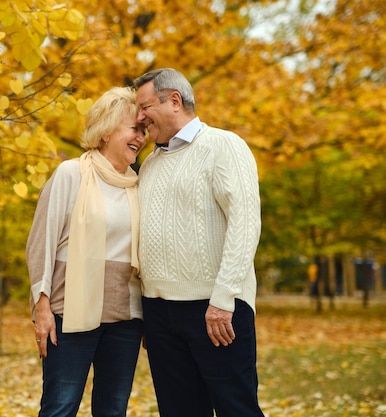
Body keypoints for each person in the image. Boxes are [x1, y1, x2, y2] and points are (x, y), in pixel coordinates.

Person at [133, 68, 265, 417]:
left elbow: (245, 222)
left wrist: (223, 299)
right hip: (160, 314)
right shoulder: (149, 165)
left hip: (215, 309)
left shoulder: (224, 145)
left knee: (236, 409)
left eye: (145, 107)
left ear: (174, 100)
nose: (139, 117)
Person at [26, 86, 147, 417]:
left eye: (144, 130)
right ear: (107, 131)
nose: (142, 136)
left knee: (112, 410)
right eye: (134, 128)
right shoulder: (72, 174)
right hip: (70, 316)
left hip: (125, 320)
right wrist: (42, 307)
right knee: (60, 409)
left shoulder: (138, 184)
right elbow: (41, 244)